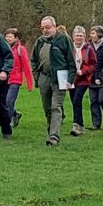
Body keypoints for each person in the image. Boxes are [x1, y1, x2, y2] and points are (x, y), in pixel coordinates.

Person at [31, 16, 76, 146]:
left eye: (48, 27)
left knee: (56, 106)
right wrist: (37, 78)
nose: (45, 30)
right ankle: (51, 130)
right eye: (42, 28)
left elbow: (71, 62)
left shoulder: (64, 40)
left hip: (60, 79)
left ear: (55, 26)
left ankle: (54, 136)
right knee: (47, 109)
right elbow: (33, 60)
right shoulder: (40, 41)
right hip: (44, 78)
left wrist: (70, 80)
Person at [69, 26, 97, 137]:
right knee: (74, 102)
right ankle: (79, 125)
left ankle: (77, 125)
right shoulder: (70, 48)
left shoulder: (89, 49)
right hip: (72, 79)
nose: (79, 38)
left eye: (81, 36)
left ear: (84, 37)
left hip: (83, 80)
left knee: (77, 99)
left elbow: (94, 64)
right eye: (77, 35)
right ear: (73, 36)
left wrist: (84, 71)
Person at [4, 28, 33, 128]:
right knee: (4, 101)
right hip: (5, 79)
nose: (8, 39)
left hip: (15, 79)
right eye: (6, 36)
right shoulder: (3, 48)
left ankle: (7, 124)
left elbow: (26, 66)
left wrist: (30, 83)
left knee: (9, 101)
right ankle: (15, 114)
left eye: (10, 37)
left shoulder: (21, 50)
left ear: (16, 38)